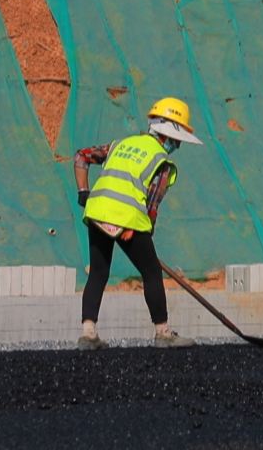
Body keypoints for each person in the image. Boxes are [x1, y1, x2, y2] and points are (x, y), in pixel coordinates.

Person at [74, 97, 204, 350]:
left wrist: (83, 191)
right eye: (177, 140)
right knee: (152, 272)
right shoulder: (161, 162)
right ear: (168, 135)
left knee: (99, 272)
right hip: (127, 218)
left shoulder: (119, 145)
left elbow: (81, 156)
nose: (178, 145)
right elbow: (151, 207)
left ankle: (88, 334)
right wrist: (138, 230)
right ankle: (163, 334)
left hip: (97, 211)